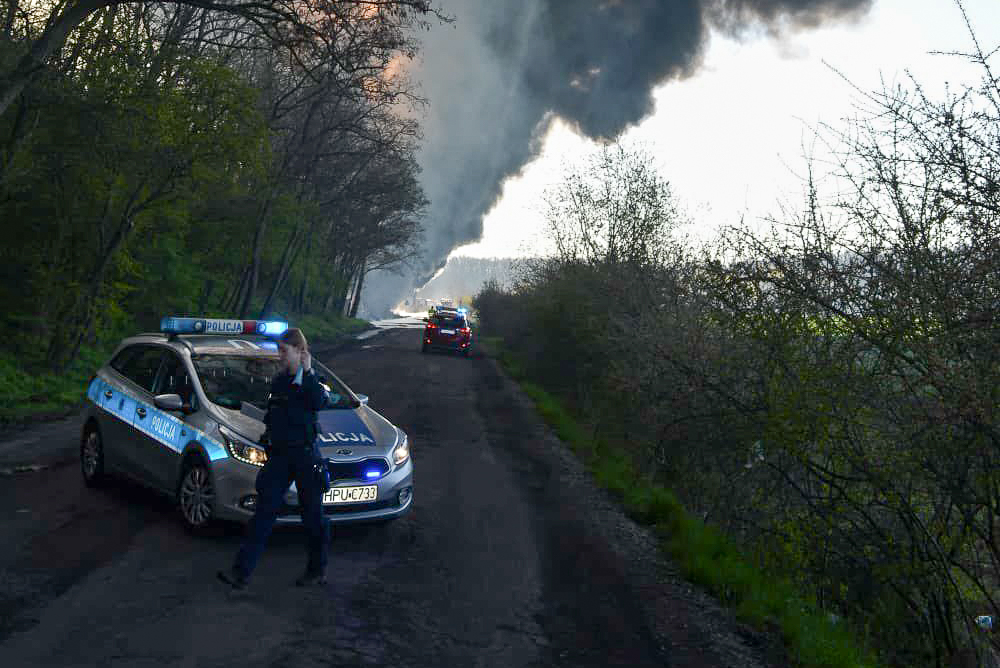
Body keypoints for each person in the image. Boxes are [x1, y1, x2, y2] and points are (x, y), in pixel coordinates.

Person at [218, 327, 330, 590]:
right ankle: (241, 573)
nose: (279, 356)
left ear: (300, 352)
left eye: (284, 351)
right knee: (263, 515)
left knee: (313, 518)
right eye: (279, 350)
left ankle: (317, 571)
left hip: (304, 456)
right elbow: (274, 416)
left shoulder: (313, 381)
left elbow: (319, 402)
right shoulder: (279, 382)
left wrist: (309, 371)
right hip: (280, 457)